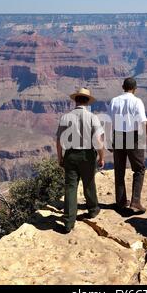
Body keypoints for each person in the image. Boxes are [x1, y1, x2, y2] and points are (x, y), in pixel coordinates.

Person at [56, 88, 105, 233]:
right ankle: (93, 210)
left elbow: (58, 141)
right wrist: (101, 157)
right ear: (88, 102)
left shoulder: (65, 117)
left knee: (70, 187)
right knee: (89, 182)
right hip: (87, 155)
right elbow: (98, 140)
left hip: (70, 155)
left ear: (75, 100)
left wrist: (60, 157)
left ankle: (68, 222)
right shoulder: (92, 117)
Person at [108, 77, 147, 214]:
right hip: (133, 135)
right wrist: (143, 138)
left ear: (122, 87)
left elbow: (109, 122)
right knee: (139, 169)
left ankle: (121, 202)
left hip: (118, 135)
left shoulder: (114, 101)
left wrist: (109, 141)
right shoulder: (137, 101)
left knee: (119, 170)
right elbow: (144, 122)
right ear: (135, 89)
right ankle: (135, 202)